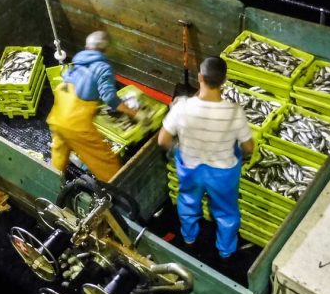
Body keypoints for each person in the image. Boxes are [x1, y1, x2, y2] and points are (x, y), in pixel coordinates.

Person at [157, 56, 254, 259]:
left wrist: (176, 150)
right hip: (222, 172)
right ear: (224, 81)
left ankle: (189, 238)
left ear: (200, 77)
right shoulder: (234, 112)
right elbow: (248, 147)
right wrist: (242, 155)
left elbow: (163, 140)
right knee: (226, 212)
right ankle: (226, 251)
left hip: (191, 167)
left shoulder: (181, 107)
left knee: (188, 201)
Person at [47, 31, 137, 182]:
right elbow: (109, 97)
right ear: (106, 50)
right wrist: (130, 111)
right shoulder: (103, 67)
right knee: (104, 160)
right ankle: (118, 193)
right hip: (75, 122)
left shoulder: (78, 60)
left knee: (60, 149)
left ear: (87, 46)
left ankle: (52, 181)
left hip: (59, 114)